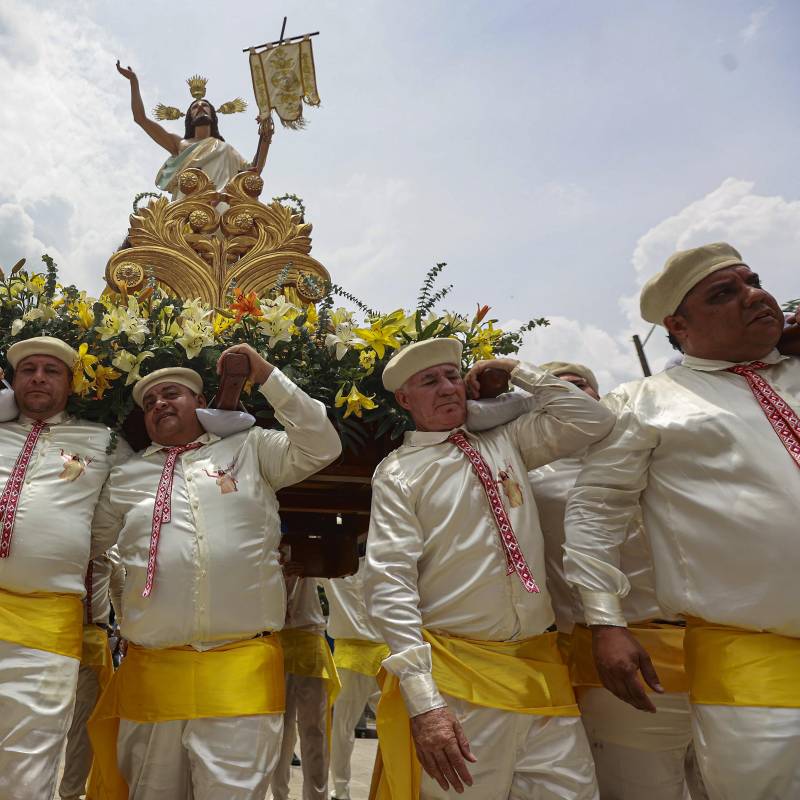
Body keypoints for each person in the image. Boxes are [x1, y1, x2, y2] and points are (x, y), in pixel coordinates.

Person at [564, 242, 800, 800]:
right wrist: (605, 622)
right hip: (753, 657)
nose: (755, 297)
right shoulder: (645, 401)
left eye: (753, 281)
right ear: (679, 325)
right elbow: (594, 513)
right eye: (725, 294)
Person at [364, 337, 615, 799]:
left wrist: (513, 369)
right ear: (404, 399)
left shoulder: (509, 441)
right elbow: (389, 584)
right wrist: (424, 703)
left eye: (453, 376)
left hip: (540, 672)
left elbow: (592, 419)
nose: (446, 388)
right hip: (457, 681)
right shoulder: (400, 472)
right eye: (429, 381)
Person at [88, 343, 342, 800]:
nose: (159, 404)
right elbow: (87, 546)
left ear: (201, 404)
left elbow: (321, 443)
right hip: (153, 672)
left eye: (171, 394)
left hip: (240, 669)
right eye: (149, 403)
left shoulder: (250, 448)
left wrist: (265, 374)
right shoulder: (125, 476)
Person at [474, 361, 706, 799]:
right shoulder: (525, 476)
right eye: (557, 386)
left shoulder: (650, 450)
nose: (572, 389)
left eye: (582, 383)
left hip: (715, 647)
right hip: (620, 654)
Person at [0, 336, 131, 800]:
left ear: (72, 383)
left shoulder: (103, 441)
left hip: (45, 625)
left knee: (27, 769)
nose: (37, 377)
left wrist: (62, 545)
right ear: (11, 380)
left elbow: (124, 511)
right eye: (27, 369)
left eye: (51, 370)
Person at [116, 61, 273, 199]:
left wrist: (265, 136)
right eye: (195, 107)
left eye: (204, 106)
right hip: (186, 209)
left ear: (212, 113)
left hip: (220, 209)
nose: (200, 108)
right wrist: (133, 81)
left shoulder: (225, 149)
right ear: (189, 117)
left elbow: (253, 172)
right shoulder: (180, 144)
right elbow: (140, 118)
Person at [322, 552, 389, 800]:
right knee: (390, 726)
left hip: (364, 655)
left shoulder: (331, 565)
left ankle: (342, 791)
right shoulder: (386, 561)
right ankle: (385, 787)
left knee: (342, 728)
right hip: (379, 654)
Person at [59, 548, 124, 800]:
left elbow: (118, 592)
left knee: (83, 725)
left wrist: (126, 629)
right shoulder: (64, 534)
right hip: (52, 633)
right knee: (45, 719)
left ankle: (70, 794)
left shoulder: (113, 551)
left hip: (93, 641)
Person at [270, 575, 339, 800]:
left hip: (310, 634)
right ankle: (279, 795)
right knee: (280, 729)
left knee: (315, 730)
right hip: (275, 637)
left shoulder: (313, 543)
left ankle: (317, 797)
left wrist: (309, 563)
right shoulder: (264, 545)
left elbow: (336, 567)